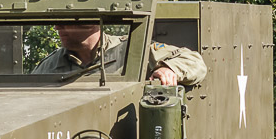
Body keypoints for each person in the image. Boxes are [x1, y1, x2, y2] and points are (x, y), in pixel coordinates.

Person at [31, 22, 207, 85]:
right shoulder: (50, 65)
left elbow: (193, 60)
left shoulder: (132, 49)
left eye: (66, 21)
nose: (57, 27)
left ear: (91, 22)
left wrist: (168, 69)